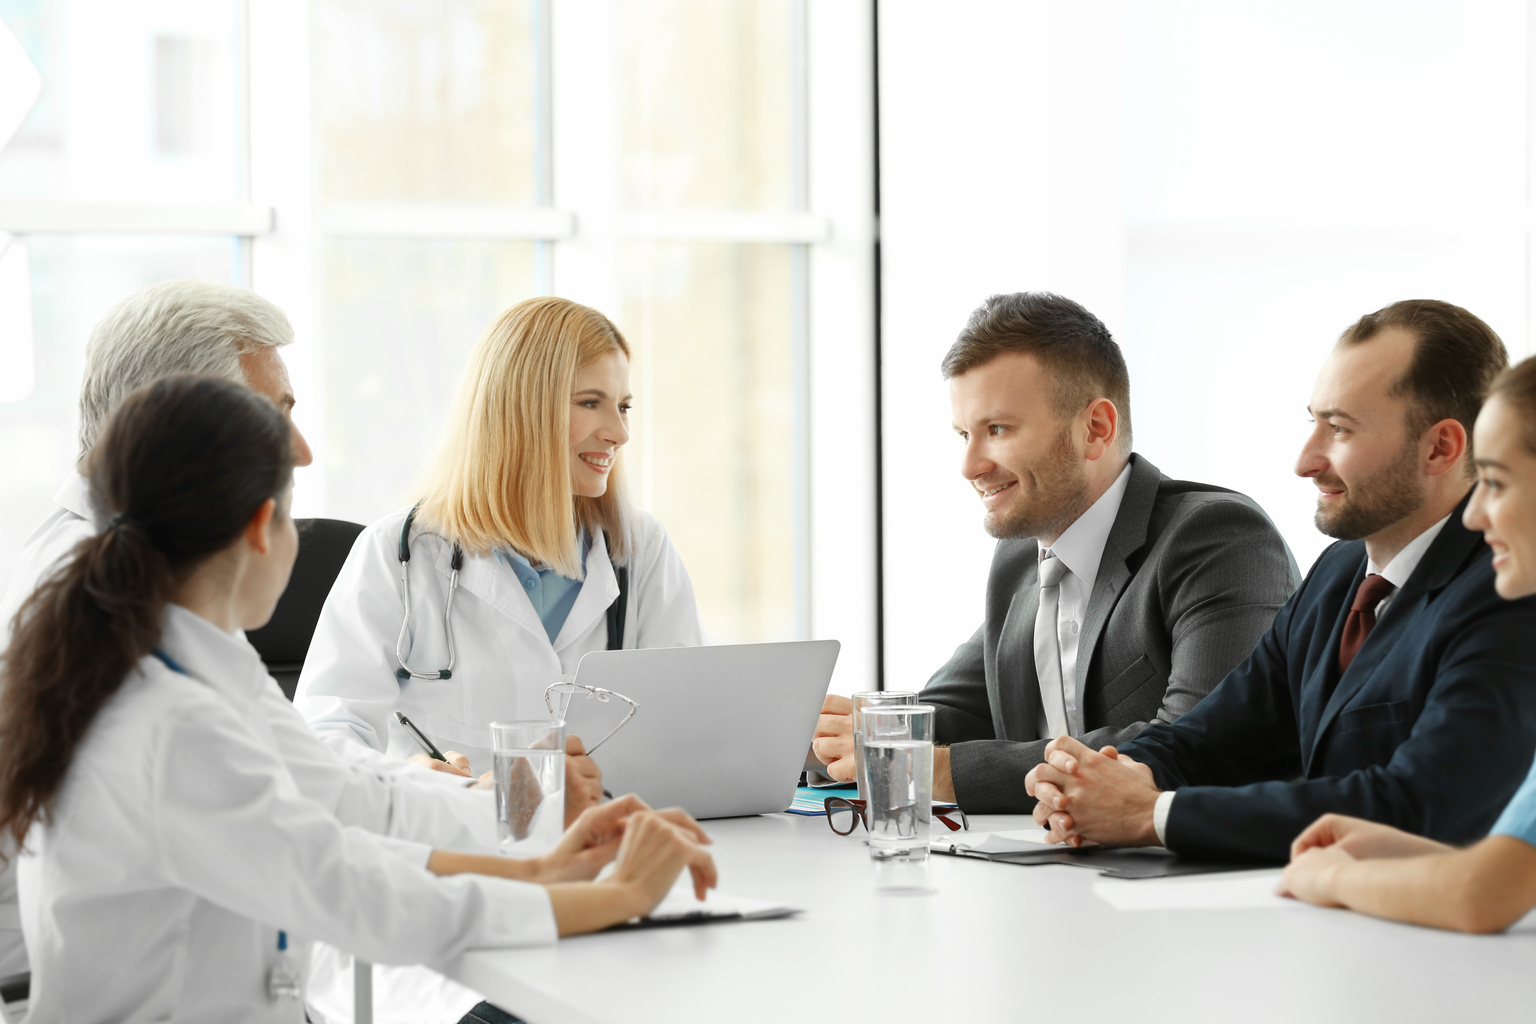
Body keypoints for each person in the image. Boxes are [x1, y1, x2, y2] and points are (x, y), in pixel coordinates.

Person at [0, 374, 716, 1022]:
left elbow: (351, 799)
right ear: (259, 530)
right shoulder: (173, 725)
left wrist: (535, 859)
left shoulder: (196, 672)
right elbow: (352, 890)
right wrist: (616, 899)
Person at [1026, 299, 1536, 863]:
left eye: (1339, 428)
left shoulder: (1509, 591)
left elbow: (1419, 801)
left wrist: (1152, 815)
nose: (1305, 460)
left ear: (1440, 447)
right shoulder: (1339, 572)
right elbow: (1218, 735)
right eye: (1312, 421)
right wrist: (1102, 777)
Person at [810, 292, 1298, 810]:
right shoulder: (1022, 558)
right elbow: (954, 711)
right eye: (963, 434)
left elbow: (1203, 743)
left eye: (997, 429)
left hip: (1184, 878)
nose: (970, 465)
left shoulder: (1218, 539)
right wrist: (834, 736)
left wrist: (939, 772)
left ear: (1095, 429)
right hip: (1049, 870)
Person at [294, 296, 704, 782]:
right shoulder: (400, 553)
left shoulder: (639, 550)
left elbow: (690, 725)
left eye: (624, 407)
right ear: (520, 409)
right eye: (590, 403)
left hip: (602, 840)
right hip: (447, 841)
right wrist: (408, 776)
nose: (618, 432)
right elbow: (323, 740)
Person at [1277, 355, 1536, 931]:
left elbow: (1483, 895)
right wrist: (1394, 848)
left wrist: (1330, 878)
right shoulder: (1334, 574)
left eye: (1495, 481)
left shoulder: (1496, 610)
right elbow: (1515, 867)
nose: (1474, 516)